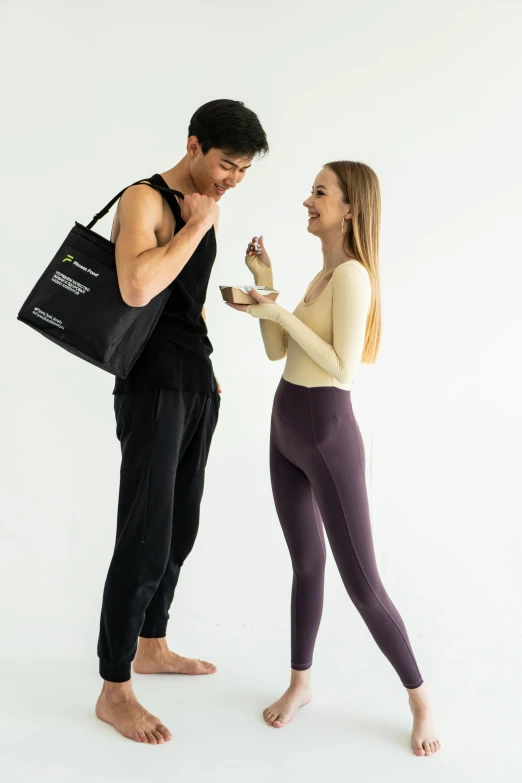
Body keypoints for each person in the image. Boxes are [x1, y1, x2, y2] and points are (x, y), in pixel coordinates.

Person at [226, 161, 441, 757]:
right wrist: (265, 286)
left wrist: (280, 313)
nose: (307, 201)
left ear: (350, 209)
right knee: (305, 564)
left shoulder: (352, 277)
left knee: (364, 584)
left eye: (320, 193)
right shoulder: (319, 278)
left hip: (326, 434)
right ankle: (301, 684)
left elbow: (344, 369)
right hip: (285, 427)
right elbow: (277, 350)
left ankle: (420, 699)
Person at [95, 99, 269, 744]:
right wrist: (199, 226)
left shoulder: (204, 206)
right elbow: (138, 287)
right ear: (193, 145)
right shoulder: (147, 199)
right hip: (150, 387)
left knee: (180, 529)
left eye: (245, 170)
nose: (233, 180)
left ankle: (152, 644)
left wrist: (206, 372)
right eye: (228, 164)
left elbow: (183, 305)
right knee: (144, 533)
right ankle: (114, 689)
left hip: (194, 383)